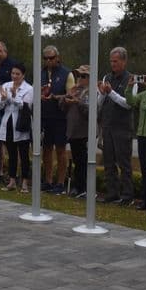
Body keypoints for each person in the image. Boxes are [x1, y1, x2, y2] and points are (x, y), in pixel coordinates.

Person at [96, 47, 135, 205]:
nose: (113, 64)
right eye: (111, 61)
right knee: (108, 161)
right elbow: (100, 103)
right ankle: (112, 193)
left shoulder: (130, 79)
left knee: (124, 163)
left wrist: (111, 92)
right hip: (107, 125)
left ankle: (127, 195)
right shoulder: (107, 77)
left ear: (124, 62)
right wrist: (102, 94)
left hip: (122, 127)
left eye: (116, 61)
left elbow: (128, 104)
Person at [39, 45, 72, 195]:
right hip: (44, 116)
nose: (48, 61)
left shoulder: (66, 73)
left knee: (60, 150)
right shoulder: (41, 73)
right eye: (45, 58)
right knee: (46, 150)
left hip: (60, 117)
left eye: (51, 58)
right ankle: (47, 180)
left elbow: (71, 96)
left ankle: (60, 182)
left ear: (57, 57)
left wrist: (55, 97)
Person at [0, 62, 34, 192]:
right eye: (13, 73)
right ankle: (12, 180)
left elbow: (26, 106)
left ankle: (24, 182)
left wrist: (12, 97)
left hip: (21, 123)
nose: (15, 76)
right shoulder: (6, 85)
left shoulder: (29, 88)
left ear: (23, 75)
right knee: (11, 153)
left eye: (18, 74)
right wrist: (3, 98)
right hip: (7, 122)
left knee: (24, 154)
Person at [124, 72, 146, 210]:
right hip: (142, 135)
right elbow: (131, 101)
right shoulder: (144, 95)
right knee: (145, 170)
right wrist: (129, 87)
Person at [62, 65, 90, 197]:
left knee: (83, 162)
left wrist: (78, 101)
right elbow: (62, 107)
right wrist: (68, 95)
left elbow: (89, 112)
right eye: (78, 76)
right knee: (77, 160)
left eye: (83, 76)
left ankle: (82, 187)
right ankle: (77, 186)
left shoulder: (92, 92)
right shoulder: (75, 90)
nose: (80, 79)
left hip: (84, 132)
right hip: (73, 131)